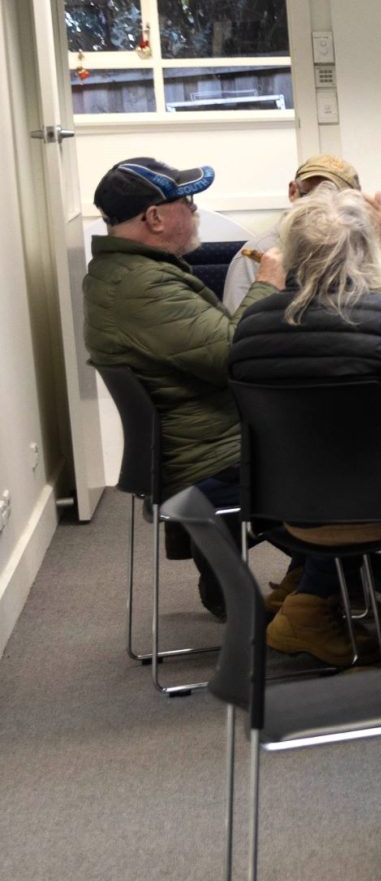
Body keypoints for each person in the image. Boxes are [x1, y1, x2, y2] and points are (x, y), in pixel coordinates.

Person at [229, 187, 381, 666]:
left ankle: (309, 595)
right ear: (364, 251)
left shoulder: (250, 326)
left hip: (287, 512)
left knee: (337, 456)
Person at [84, 158, 283, 617]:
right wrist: (269, 282)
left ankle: (286, 591)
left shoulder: (129, 273)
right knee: (352, 466)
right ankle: (320, 601)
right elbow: (235, 355)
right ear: (154, 217)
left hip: (201, 446)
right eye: (186, 202)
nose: (194, 211)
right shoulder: (143, 287)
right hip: (213, 460)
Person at [222, 153, 366, 311]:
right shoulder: (257, 252)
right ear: (293, 192)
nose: (319, 207)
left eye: (333, 199)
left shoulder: (362, 250)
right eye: (311, 196)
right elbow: (237, 328)